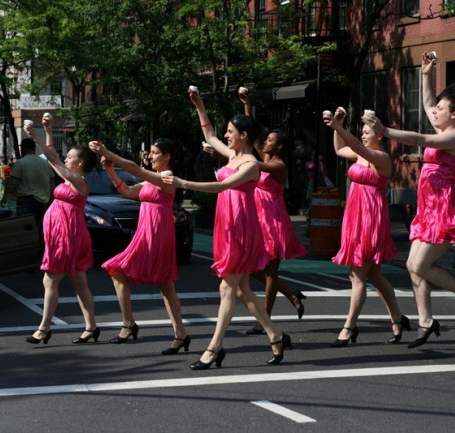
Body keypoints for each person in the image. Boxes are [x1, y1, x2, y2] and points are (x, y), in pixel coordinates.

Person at [161, 88, 291, 369]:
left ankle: (214, 348)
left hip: (243, 227)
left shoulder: (251, 164)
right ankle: (276, 336)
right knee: (243, 289)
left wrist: (183, 184)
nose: (227, 135)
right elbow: (209, 136)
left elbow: (221, 186)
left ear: (244, 135)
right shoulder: (232, 156)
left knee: (227, 287)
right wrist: (200, 107)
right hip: (227, 223)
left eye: (231, 131)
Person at [363, 50, 455, 349]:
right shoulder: (444, 125)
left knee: (420, 265)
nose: (435, 111)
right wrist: (426, 73)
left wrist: (384, 130)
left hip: (445, 212)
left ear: (454, 114)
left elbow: (421, 139)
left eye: (442, 108)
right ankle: (426, 321)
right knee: (413, 266)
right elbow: (427, 103)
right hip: (428, 209)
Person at [88, 138, 190, 353]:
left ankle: (175, 333)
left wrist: (108, 152)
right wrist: (110, 171)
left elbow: (134, 168)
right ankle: (134, 325)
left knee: (164, 285)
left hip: (158, 234)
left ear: (167, 156)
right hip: (146, 233)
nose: (150, 156)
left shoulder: (166, 177)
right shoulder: (151, 180)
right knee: (121, 272)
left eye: (154, 153)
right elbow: (127, 192)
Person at [323, 107, 408, 346]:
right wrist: (338, 125)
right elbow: (339, 148)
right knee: (374, 274)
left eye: (367, 131)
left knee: (357, 273)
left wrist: (338, 127)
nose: (362, 135)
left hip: (371, 219)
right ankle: (398, 320)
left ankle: (349, 327)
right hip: (355, 215)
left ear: (380, 135)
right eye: (361, 131)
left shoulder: (381, 158)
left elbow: (358, 148)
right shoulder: (361, 154)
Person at [23, 119, 99, 345]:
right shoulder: (69, 177)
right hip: (64, 234)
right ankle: (91, 327)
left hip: (69, 236)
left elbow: (54, 159)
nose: (67, 158)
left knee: (50, 280)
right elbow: (53, 157)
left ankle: (44, 328)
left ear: (80, 162)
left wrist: (34, 135)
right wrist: (47, 131)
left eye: (71, 157)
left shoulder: (79, 181)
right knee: (79, 283)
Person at [236, 91, 307, 333]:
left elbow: (255, 163)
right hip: (257, 218)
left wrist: (231, 156)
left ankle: (263, 321)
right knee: (251, 269)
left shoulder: (278, 166)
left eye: (271, 140)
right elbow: (252, 134)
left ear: (280, 146)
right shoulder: (263, 153)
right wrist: (248, 105)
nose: (266, 141)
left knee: (270, 271)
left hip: (273, 220)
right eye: (266, 139)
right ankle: (290, 293)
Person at [2, 138, 55, 236]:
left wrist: (6, 196)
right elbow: (51, 183)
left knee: (26, 229)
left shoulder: (21, 163)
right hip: (43, 201)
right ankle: (41, 248)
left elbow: (13, 183)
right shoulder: (45, 163)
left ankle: (30, 248)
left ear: (23, 149)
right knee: (41, 227)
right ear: (34, 148)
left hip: (26, 200)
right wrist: (51, 199)